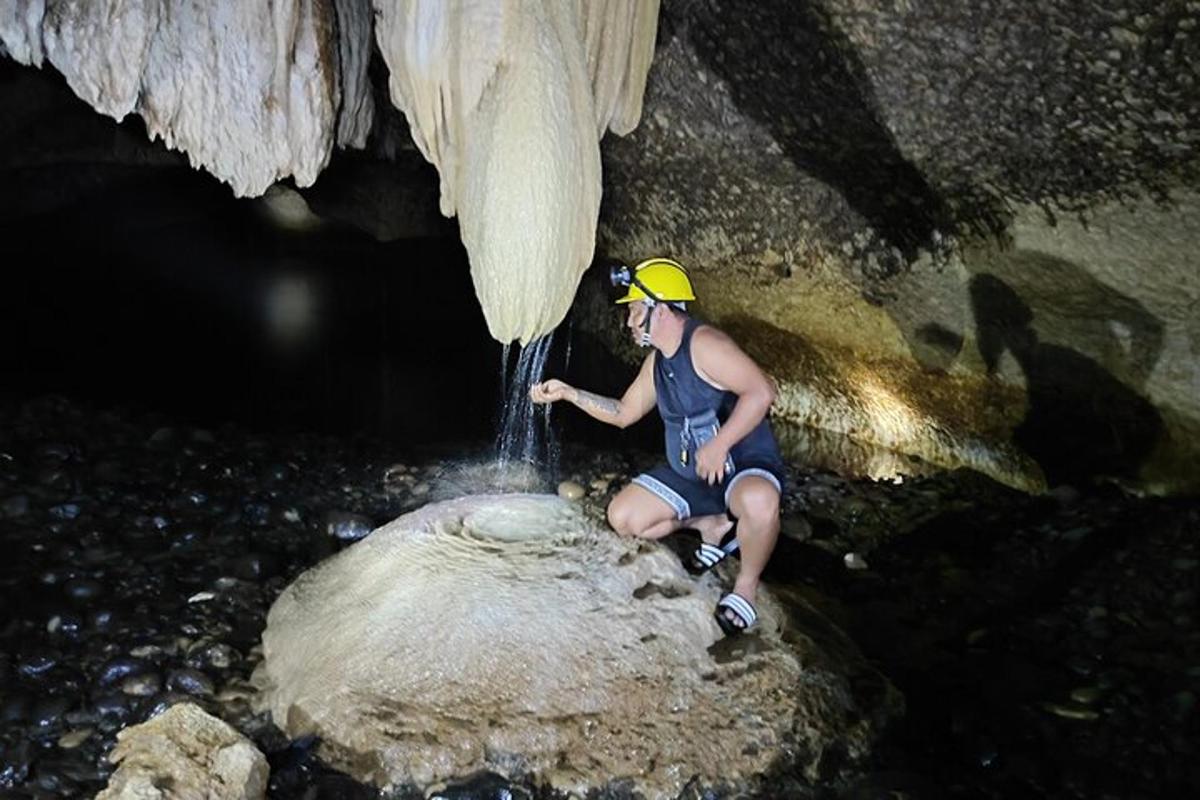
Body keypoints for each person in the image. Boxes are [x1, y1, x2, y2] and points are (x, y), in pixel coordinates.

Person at [530, 257, 785, 635]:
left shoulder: (706, 345)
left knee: (760, 502)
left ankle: (745, 589)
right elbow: (623, 412)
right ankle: (712, 525)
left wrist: (721, 442)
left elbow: (763, 391)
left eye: (635, 311)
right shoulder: (657, 364)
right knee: (624, 518)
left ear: (660, 310)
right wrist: (569, 393)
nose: (630, 322)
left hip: (739, 466)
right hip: (694, 474)